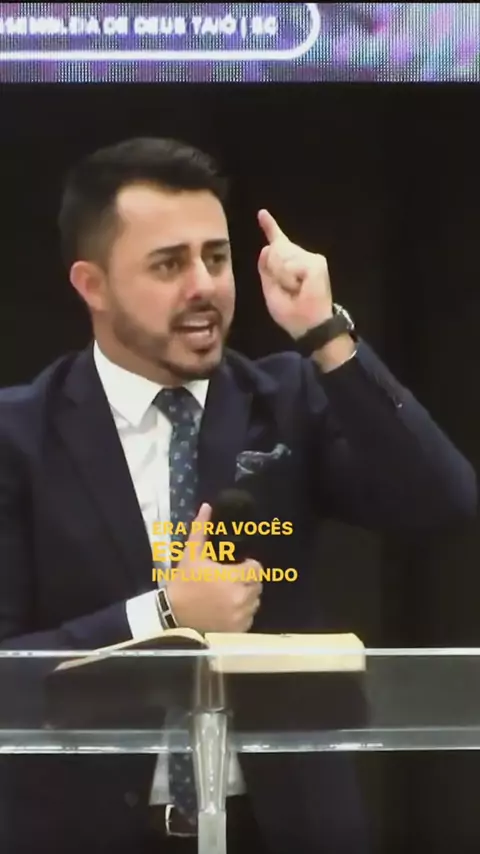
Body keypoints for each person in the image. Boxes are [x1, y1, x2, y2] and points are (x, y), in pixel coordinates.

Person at [0, 136, 475, 854]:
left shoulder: (286, 399)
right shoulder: (18, 436)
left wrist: (326, 333)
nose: (204, 287)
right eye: (169, 264)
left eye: (216, 259)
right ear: (92, 285)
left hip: (281, 828)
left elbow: (442, 502)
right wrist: (163, 616)